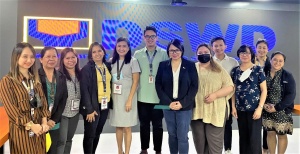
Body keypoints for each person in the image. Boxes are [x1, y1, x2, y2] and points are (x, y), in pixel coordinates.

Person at [0, 42, 50, 154]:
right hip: (22, 132)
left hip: (39, 130)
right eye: (25, 56)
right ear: (16, 57)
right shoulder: (7, 81)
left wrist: (44, 122)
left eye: (32, 57)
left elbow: (42, 102)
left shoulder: (34, 79)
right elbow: (12, 111)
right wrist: (31, 125)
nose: (29, 60)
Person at [155, 39, 198, 154]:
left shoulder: (190, 65)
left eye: (177, 50)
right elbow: (158, 85)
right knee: (172, 134)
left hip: (184, 107)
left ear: (182, 51)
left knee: (182, 135)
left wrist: (182, 103)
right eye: (171, 50)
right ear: (168, 52)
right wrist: (168, 102)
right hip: (168, 106)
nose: (174, 53)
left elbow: (194, 86)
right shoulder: (163, 65)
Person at [191, 43, 234, 154]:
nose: (203, 54)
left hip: (216, 111)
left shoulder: (219, 69)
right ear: (196, 55)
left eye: (205, 52)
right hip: (197, 111)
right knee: (200, 144)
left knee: (215, 145)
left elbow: (230, 86)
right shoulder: (192, 68)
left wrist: (215, 95)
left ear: (210, 54)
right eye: (200, 53)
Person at [133, 26, 168, 154]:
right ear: (144, 38)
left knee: (158, 126)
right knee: (144, 125)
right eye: (147, 36)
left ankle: (158, 150)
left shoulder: (164, 53)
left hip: (158, 99)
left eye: (152, 36)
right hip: (142, 97)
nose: (150, 39)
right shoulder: (137, 54)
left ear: (156, 37)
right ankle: (144, 149)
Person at [231, 45, 267, 154]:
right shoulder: (235, 71)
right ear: (239, 55)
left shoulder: (257, 69)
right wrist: (233, 107)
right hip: (240, 110)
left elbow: (264, 90)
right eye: (242, 53)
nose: (244, 55)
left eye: (247, 53)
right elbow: (233, 90)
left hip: (254, 109)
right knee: (243, 138)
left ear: (251, 55)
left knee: (254, 139)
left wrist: (260, 108)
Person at [109, 37, 141, 154]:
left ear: (128, 48)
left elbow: (136, 81)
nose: (121, 48)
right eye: (119, 46)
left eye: (124, 46)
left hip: (128, 98)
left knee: (127, 127)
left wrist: (129, 100)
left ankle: (127, 152)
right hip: (116, 98)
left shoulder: (133, 61)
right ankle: (120, 151)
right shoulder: (111, 61)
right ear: (116, 47)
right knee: (118, 126)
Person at [80, 42, 112, 154]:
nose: (97, 53)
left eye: (99, 51)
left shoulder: (107, 66)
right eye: (94, 52)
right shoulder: (87, 69)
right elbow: (84, 90)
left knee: (98, 132)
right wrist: (89, 109)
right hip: (92, 107)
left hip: (105, 105)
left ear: (103, 52)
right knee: (90, 135)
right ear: (90, 54)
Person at [262, 51, 296, 154]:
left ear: (283, 63)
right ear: (270, 60)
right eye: (275, 60)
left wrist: (277, 107)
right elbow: (258, 90)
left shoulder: (287, 76)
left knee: (281, 135)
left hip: (282, 111)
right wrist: (263, 104)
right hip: (267, 110)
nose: (277, 62)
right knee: (270, 133)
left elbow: (291, 95)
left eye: (280, 61)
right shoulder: (263, 72)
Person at [210, 37, 239, 154]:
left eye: (221, 45)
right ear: (212, 47)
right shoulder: (209, 60)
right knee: (213, 124)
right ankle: (214, 149)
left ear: (225, 46)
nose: (218, 48)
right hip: (212, 97)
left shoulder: (233, 62)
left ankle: (227, 149)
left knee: (227, 124)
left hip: (228, 98)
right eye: (215, 46)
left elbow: (236, 83)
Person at [38, 46, 68, 154]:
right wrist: (44, 119)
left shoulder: (61, 76)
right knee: (40, 149)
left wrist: (54, 119)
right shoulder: (35, 76)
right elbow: (35, 101)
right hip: (39, 121)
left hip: (54, 121)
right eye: (48, 56)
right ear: (41, 59)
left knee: (53, 148)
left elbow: (63, 99)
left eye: (54, 56)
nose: (51, 59)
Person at [57, 47, 81, 154]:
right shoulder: (58, 75)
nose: (70, 60)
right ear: (62, 60)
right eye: (67, 58)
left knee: (69, 139)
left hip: (75, 113)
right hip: (62, 113)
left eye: (73, 57)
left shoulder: (81, 74)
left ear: (77, 58)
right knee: (61, 141)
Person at [255, 38, 271, 154]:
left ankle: (265, 148)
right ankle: (255, 149)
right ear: (256, 49)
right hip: (254, 97)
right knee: (255, 125)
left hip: (268, 97)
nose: (261, 50)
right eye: (259, 47)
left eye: (264, 48)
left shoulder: (271, 63)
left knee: (267, 125)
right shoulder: (250, 61)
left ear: (267, 49)